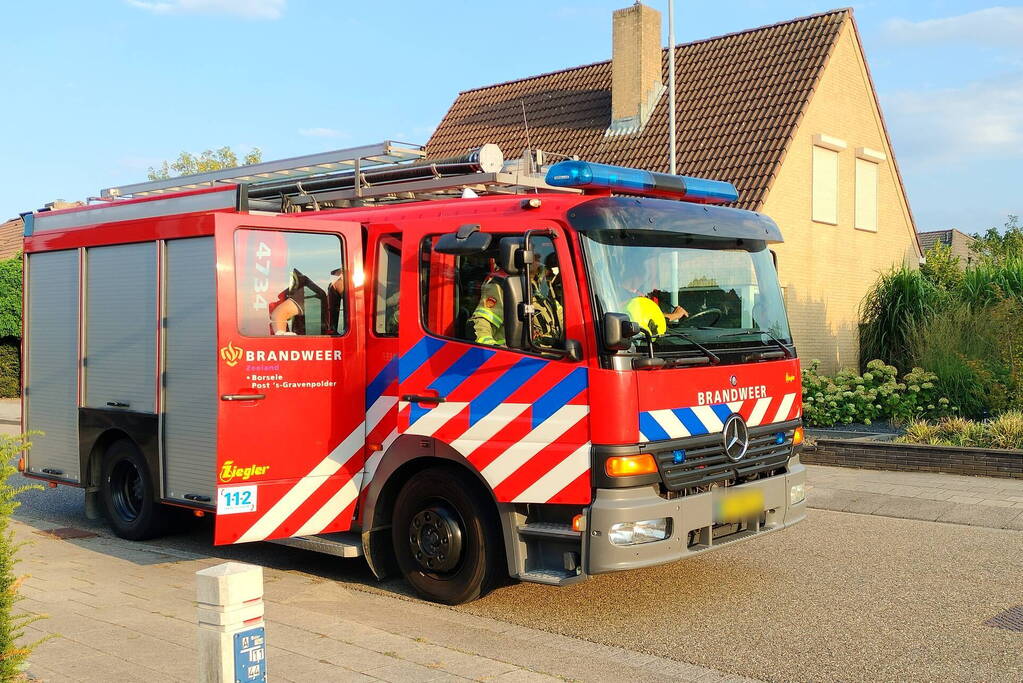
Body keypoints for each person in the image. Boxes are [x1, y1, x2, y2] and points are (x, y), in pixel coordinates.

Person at [470, 256, 563, 349]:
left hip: (552, 352)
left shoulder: (541, 283)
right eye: (531, 250)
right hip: (520, 356)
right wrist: (494, 352)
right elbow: (483, 322)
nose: (538, 255)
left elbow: (560, 313)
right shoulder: (502, 284)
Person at [270, 266, 345, 335]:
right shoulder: (311, 292)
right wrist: (284, 343)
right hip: (306, 346)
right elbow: (279, 314)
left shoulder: (333, 299)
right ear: (340, 275)